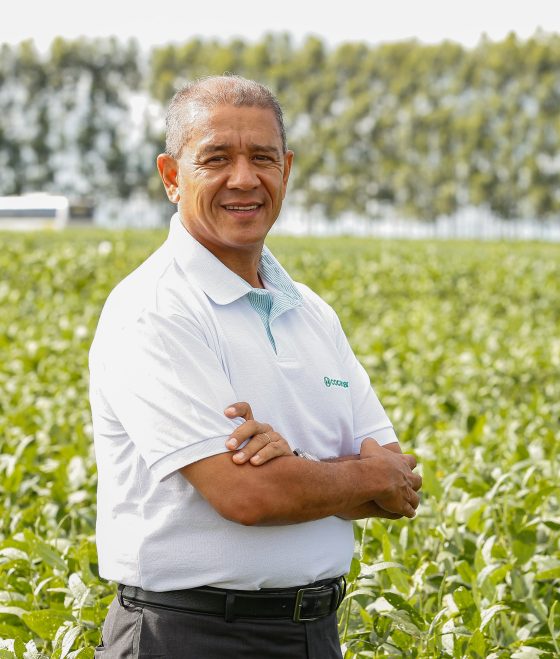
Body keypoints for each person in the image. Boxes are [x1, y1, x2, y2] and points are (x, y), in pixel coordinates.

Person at [88, 75, 422, 657]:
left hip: (314, 633)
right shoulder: (156, 308)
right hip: (188, 635)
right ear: (172, 177)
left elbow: (399, 489)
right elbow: (247, 496)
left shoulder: (313, 313)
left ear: (286, 170)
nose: (244, 178)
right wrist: (353, 475)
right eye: (216, 159)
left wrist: (290, 465)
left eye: (262, 158)